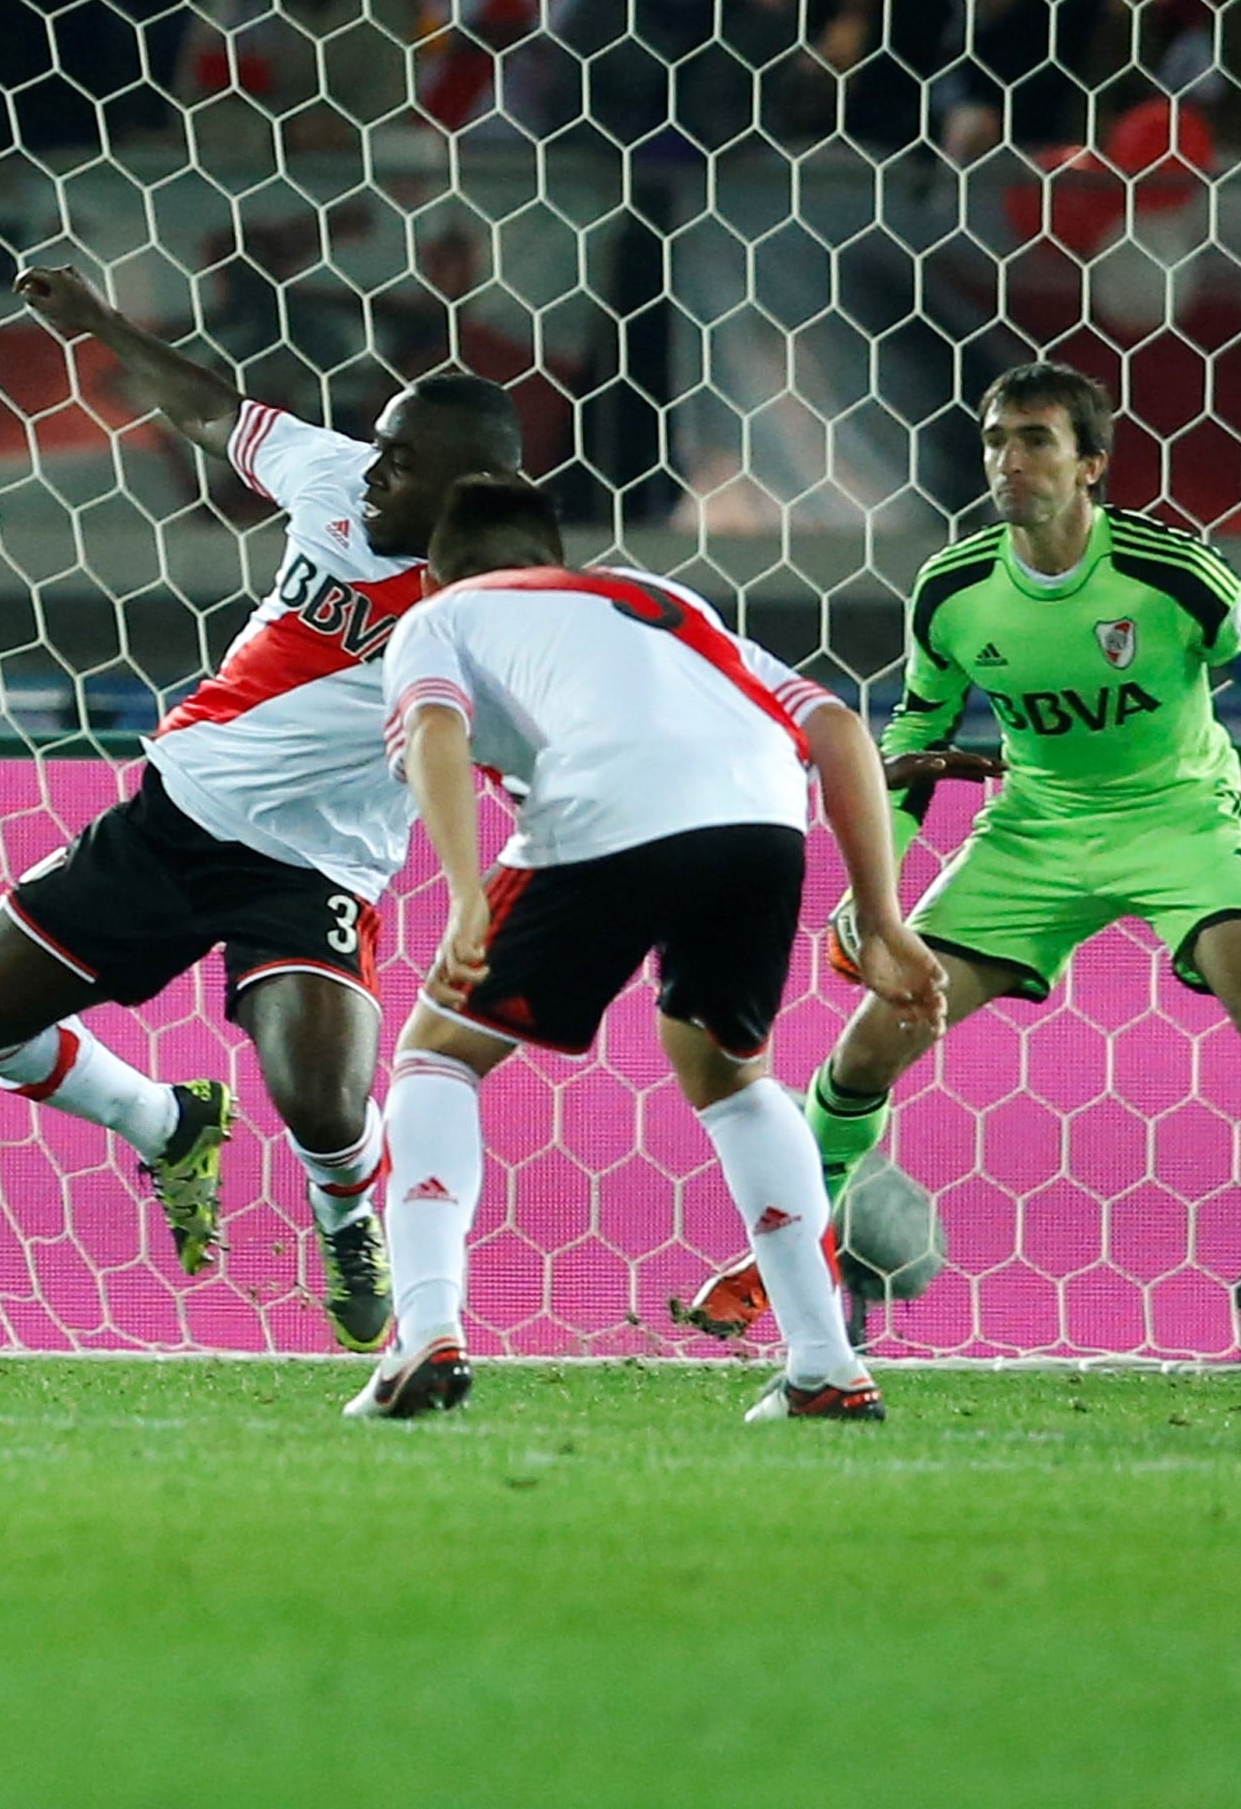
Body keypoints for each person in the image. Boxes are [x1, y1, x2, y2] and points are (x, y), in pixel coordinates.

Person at [664, 363, 1241, 1368]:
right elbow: (917, 743)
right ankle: (782, 1262)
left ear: (1091, 466)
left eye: (1034, 440)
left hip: (1181, 820)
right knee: (866, 1050)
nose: (1008, 461)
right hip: (1036, 831)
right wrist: (876, 893)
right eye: (994, 439)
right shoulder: (952, 592)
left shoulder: (1175, 576)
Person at [0, 265, 530, 1352]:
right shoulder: (334, 479)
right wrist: (98, 322)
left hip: (315, 874)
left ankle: (349, 1224)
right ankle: (164, 1123)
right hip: (172, 821)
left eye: (403, 460)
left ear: (473, 486)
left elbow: (531, 761)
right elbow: (208, 410)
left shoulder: (495, 615)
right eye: (379, 446)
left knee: (325, 1105)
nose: (375, 470)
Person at [353, 478, 945, 1422]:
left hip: (608, 808)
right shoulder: (664, 602)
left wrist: (466, 893)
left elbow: (433, 724)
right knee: (730, 1074)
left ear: (438, 573)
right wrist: (882, 917)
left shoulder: (442, 616)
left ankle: (423, 1332)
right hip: (762, 816)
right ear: (557, 556)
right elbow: (833, 723)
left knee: (439, 1052)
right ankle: (825, 1364)